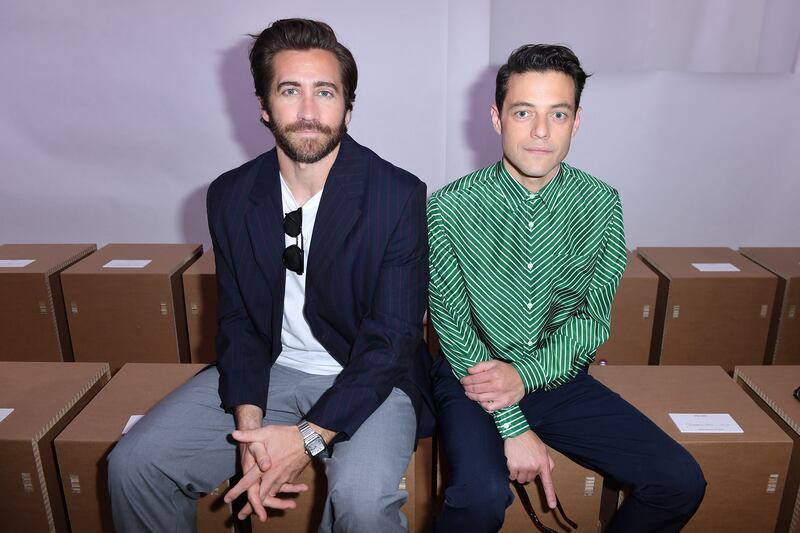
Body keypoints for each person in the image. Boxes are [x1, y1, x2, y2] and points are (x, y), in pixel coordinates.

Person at [108, 18, 433, 533]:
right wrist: (250, 424)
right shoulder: (231, 195)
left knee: (363, 502)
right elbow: (237, 321)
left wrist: (303, 439)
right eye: (290, 91)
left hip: (369, 376)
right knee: (135, 466)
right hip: (273, 369)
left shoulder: (397, 196)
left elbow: (392, 342)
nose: (308, 112)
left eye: (325, 92)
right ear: (263, 105)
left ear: (348, 107)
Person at [428, 44, 706, 532]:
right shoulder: (448, 208)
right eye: (523, 112)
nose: (541, 131)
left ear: (576, 121)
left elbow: (591, 320)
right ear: (497, 118)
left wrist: (527, 377)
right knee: (480, 496)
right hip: (471, 375)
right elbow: (452, 327)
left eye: (558, 113)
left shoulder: (601, 204)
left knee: (680, 481)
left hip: (556, 375)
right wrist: (513, 424)